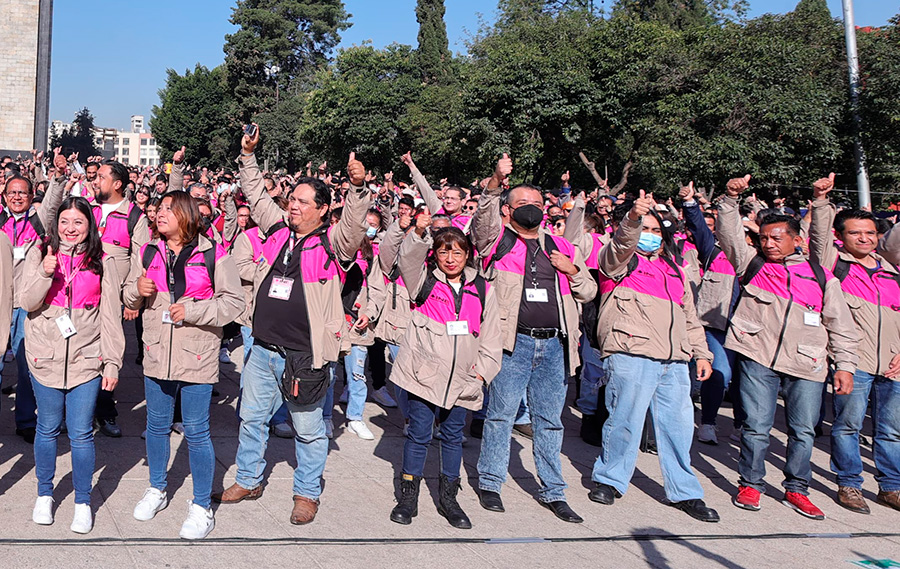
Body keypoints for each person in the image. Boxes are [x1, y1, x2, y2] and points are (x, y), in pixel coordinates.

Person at [214, 126, 371, 525]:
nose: (293, 206)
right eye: (292, 199)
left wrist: (357, 189)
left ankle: (306, 493)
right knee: (251, 419)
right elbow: (256, 194)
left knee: (308, 430)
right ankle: (249, 479)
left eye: (303, 202)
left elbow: (353, 229)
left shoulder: (333, 245)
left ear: (322, 209)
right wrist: (248, 155)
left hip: (304, 357)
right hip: (263, 349)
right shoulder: (278, 230)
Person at [717, 174, 858, 520]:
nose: (769, 244)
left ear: (797, 240)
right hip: (757, 355)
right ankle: (751, 483)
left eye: (777, 238)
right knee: (756, 426)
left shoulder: (820, 275)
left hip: (808, 363)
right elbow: (730, 233)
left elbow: (840, 325)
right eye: (764, 238)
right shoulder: (753, 265)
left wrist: (845, 366)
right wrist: (730, 199)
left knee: (804, 430)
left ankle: (797, 489)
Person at [472, 154, 596, 523]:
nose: (532, 210)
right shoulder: (496, 242)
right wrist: (496, 179)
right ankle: (491, 483)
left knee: (550, 420)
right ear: (507, 212)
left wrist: (571, 270)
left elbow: (588, 291)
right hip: (514, 344)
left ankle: (553, 490)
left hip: (555, 346)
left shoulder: (562, 247)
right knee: (500, 416)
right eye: (523, 204)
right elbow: (481, 220)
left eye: (538, 205)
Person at [587, 191, 719, 522]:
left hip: (674, 360)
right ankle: (610, 480)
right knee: (625, 420)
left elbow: (690, 317)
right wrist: (633, 217)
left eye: (656, 230)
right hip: (631, 352)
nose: (650, 235)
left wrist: (701, 353)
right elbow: (618, 247)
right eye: (644, 229)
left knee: (678, 427)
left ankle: (684, 491)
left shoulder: (676, 270)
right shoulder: (618, 262)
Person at [124, 191, 242, 539]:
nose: (160, 215)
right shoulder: (148, 251)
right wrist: (136, 290)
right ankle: (157, 488)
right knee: (157, 426)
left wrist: (193, 311)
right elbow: (127, 294)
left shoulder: (213, 254)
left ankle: (201, 505)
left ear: (186, 216)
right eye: (159, 209)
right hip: (157, 350)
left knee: (197, 430)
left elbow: (233, 302)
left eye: (168, 210)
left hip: (197, 355)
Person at [19, 196, 125, 534]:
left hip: (86, 359)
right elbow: (26, 301)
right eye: (65, 221)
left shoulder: (103, 260)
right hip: (45, 357)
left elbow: (110, 316)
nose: (70, 228)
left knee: (81, 433)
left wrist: (112, 362)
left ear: (89, 226)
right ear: (56, 224)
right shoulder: (40, 252)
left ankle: (82, 501)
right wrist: (44, 275)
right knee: (47, 428)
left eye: (78, 222)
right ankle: (44, 494)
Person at [389, 219, 502, 529]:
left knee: (453, 437)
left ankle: (449, 498)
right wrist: (419, 233)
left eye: (457, 253)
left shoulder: (482, 288)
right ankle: (408, 497)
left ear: (468, 255)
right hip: (423, 377)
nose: (450, 259)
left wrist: (481, 375)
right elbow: (407, 257)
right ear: (435, 256)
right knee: (419, 435)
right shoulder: (422, 281)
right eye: (443, 252)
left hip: (464, 380)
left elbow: (493, 337)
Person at [808, 173, 900, 513]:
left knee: (892, 430)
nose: (864, 238)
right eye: (855, 233)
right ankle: (849, 484)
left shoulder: (891, 270)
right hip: (855, 363)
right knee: (847, 426)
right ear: (841, 237)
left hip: (893, 366)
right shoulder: (834, 266)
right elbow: (818, 238)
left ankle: (891, 487)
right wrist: (820, 201)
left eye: (870, 233)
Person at [0, 151, 66, 443]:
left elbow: (52, 203)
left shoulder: (38, 222)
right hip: (1, 303)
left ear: (31, 195)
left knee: (29, 366)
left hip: (29, 305)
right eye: (12, 193)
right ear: (4, 196)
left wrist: (59, 178)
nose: (17, 197)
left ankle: (26, 420)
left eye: (23, 193)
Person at [91, 159, 151, 437]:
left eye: (101, 176)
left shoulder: (134, 217)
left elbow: (139, 262)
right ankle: (78, 410)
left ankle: (105, 411)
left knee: (108, 354)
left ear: (117, 184)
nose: (95, 180)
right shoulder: (87, 210)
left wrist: (131, 300)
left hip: (112, 299)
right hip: (81, 294)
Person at [678, 182, 740, 445]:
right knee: (721, 372)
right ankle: (709, 423)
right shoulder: (713, 253)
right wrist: (691, 203)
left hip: (747, 329)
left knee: (742, 382)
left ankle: (741, 425)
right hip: (714, 326)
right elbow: (699, 227)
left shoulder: (753, 259)